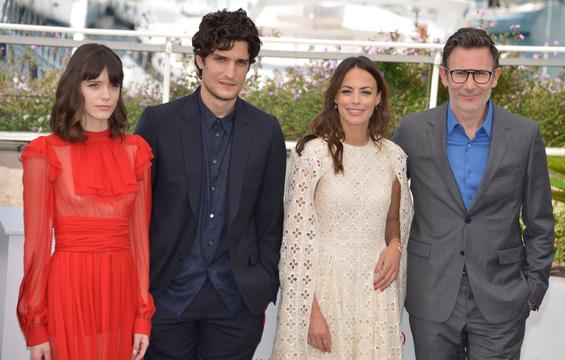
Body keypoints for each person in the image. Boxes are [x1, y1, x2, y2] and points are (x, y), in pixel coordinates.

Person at [392, 28, 555, 359]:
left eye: (479, 73)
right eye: (460, 73)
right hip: (431, 292)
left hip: (502, 297)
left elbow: (540, 220)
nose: (469, 84)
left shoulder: (524, 135)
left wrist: (532, 288)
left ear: (495, 77)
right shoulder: (411, 131)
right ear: (444, 75)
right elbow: (385, 203)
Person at [135, 9, 286, 359]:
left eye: (240, 62)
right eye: (221, 58)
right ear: (200, 59)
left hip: (235, 304)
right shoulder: (158, 123)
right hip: (167, 298)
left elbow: (269, 221)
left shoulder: (266, 131)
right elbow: (136, 213)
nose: (230, 72)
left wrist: (261, 285)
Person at [17, 43, 155, 360]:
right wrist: (36, 326)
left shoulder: (137, 151)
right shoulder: (45, 152)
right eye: (94, 85)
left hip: (120, 290)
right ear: (75, 87)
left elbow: (140, 243)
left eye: (113, 84)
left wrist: (142, 317)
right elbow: (35, 248)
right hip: (69, 287)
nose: (106, 95)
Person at [272, 56, 413, 359]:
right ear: (334, 97)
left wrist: (395, 246)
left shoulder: (393, 157)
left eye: (365, 91)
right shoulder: (312, 154)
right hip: (323, 290)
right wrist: (308, 312)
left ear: (378, 99)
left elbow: (394, 220)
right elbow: (293, 241)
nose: (356, 100)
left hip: (374, 295)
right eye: (347, 91)